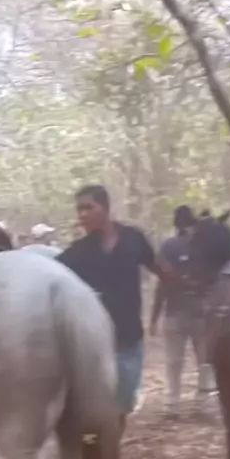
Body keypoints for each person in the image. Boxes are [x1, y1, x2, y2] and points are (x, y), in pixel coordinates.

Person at [57, 184, 171, 432]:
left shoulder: (133, 238)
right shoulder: (77, 252)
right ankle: (91, 453)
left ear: (105, 207)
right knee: (89, 412)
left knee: (121, 407)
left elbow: (160, 269)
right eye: (79, 210)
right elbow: (50, 275)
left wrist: (188, 288)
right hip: (92, 346)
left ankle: (110, 449)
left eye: (88, 208)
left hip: (129, 342)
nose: (82, 215)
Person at [150, 205, 216, 417]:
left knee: (177, 361)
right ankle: (199, 404)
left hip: (186, 312)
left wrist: (154, 317)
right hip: (194, 312)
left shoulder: (173, 247)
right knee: (203, 361)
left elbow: (161, 283)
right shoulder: (199, 247)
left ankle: (175, 404)